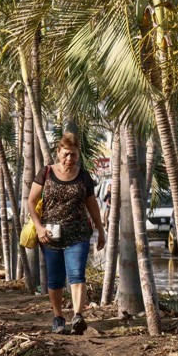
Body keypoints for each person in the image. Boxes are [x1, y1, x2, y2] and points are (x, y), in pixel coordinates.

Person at [27, 133, 106, 334]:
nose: (69, 159)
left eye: (73, 155)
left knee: (77, 274)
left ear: (78, 154)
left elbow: (92, 205)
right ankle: (58, 318)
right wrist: (38, 227)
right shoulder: (46, 173)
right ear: (58, 152)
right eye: (66, 154)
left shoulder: (83, 176)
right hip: (50, 235)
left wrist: (101, 230)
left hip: (78, 234)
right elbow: (31, 202)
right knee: (55, 279)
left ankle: (78, 316)